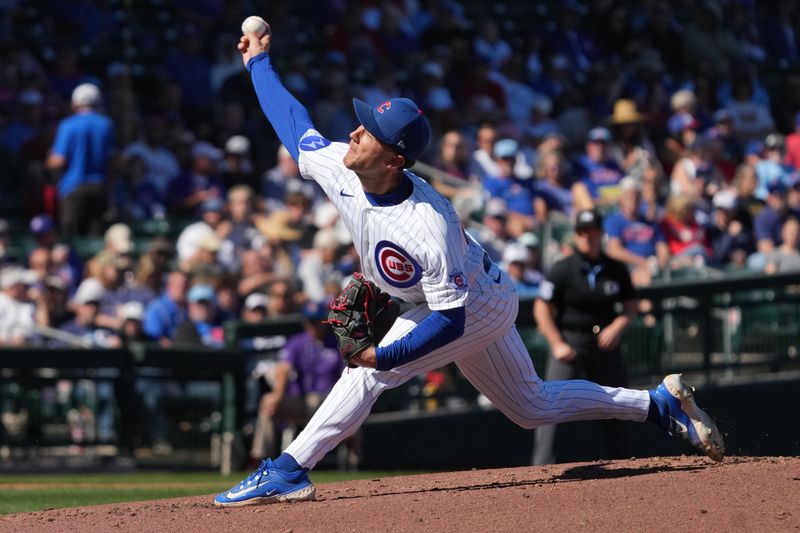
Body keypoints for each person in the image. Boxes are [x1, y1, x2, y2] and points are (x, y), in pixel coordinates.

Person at [215, 24, 725, 507]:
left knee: (368, 372)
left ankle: (288, 469)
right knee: (532, 408)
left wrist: (384, 359)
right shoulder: (342, 168)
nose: (354, 132)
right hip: (467, 293)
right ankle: (657, 405)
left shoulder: (426, 224)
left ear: (394, 159)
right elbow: (293, 124)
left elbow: (449, 319)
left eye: (368, 131)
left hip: (470, 303)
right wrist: (259, 61)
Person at [532, 209, 637, 465]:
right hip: (570, 342)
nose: (587, 237)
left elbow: (631, 305)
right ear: (576, 235)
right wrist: (556, 343)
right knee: (550, 405)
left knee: (617, 403)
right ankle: (542, 468)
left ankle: (625, 464)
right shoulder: (563, 268)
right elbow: (542, 306)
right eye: (582, 232)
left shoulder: (616, 269)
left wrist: (617, 327)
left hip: (604, 344)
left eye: (593, 232)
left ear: (601, 234)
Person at [249, 301, 345, 466]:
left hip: (329, 401)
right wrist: (277, 396)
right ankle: (262, 460)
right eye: (309, 321)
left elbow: (346, 375)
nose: (312, 326)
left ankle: (356, 465)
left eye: (316, 321)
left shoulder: (336, 342)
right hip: (302, 399)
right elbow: (284, 369)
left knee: (323, 402)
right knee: (268, 402)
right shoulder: (297, 342)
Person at [46, 83, 114, 236]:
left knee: (71, 241)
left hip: (73, 188)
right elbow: (111, 158)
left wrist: (48, 159)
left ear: (75, 103)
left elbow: (58, 161)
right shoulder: (106, 124)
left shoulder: (68, 125)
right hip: (99, 188)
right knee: (94, 240)